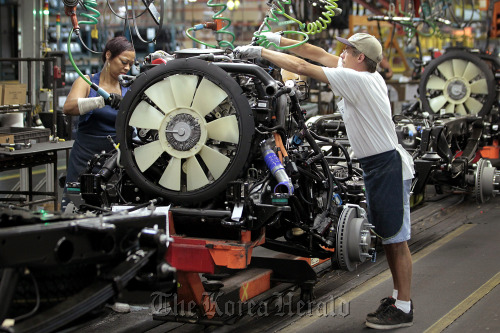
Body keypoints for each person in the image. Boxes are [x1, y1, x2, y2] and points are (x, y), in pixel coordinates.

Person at [234, 33, 415, 329]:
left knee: (396, 239)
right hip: (377, 164)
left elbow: (302, 67)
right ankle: (398, 299)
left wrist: (260, 51)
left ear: (360, 58)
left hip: (386, 167)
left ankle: (404, 307)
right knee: (390, 237)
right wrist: (276, 37)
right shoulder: (362, 73)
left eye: (347, 50)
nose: (340, 53)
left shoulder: (359, 80)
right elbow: (313, 53)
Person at [61, 36, 135, 211]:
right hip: (85, 159)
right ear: (108, 55)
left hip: (115, 162)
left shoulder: (128, 87)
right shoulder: (87, 82)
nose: (127, 67)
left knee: (113, 208)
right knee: (77, 207)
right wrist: (102, 101)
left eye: (131, 64)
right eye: (124, 61)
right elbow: (68, 107)